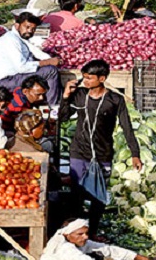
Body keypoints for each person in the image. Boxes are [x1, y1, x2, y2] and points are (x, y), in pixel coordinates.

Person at [61, 60, 142, 237]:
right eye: (84, 77)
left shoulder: (115, 100)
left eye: (89, 78)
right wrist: (66, 97)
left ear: (102, 78)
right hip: (79, 152)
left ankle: (93, 231)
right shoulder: (80, 95)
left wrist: (135, 154)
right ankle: (76, 232)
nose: (85, 81)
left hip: (102, 154)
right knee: (76, 193)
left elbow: (127, 127)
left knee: (98, 196)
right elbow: (64, 117)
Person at [0, 12, 62, 105]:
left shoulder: (19, 37)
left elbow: (35, 51)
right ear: (17, 26)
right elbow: (22, 67)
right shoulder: (11, 40)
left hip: (9, 79)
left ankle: (44, 102)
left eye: (33, 29)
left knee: (46, 68)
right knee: (50, 71)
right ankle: (53, 107)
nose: (30, 31)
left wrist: (52, 59)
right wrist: (47, 62)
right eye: (27, 27)